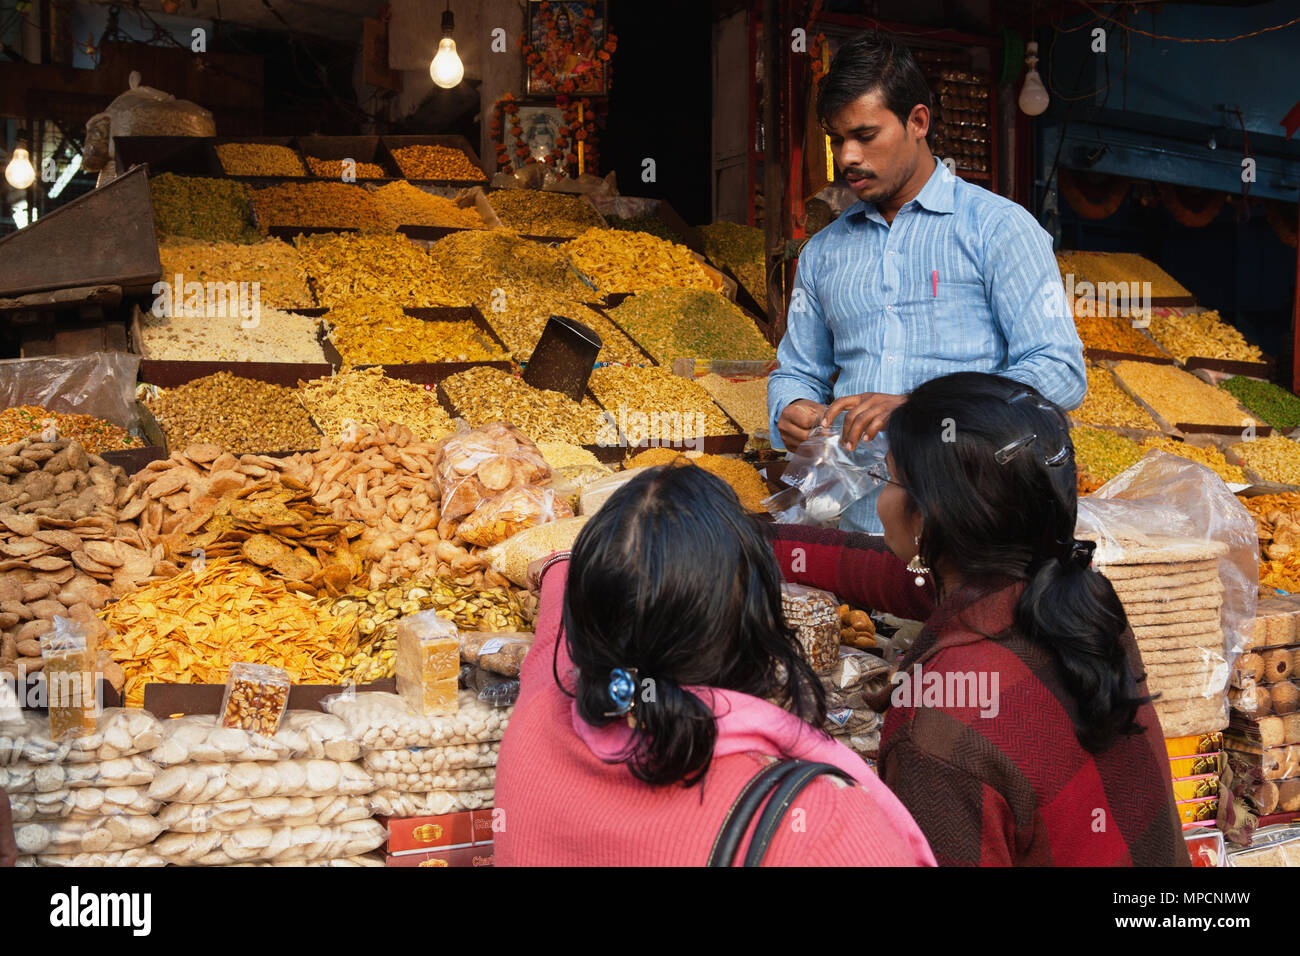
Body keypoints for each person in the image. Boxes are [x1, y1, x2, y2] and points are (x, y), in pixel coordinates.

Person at [769, 372, 1189, 866]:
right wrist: (746, 540)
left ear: (927, 520)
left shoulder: (939, 729)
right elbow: (885, 572)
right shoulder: (1075, 596)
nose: (879, 498)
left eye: (886, 477)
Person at [494, 464, 935, 866]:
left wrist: (558, 565)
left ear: (589, 617)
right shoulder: (822, 825)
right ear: (760, 619)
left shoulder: (536, 713)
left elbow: (556, 632)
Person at [769, 30, 1086, 533]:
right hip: (854, 528)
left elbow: (1060, 373)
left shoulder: (998, 229)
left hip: (972, 528)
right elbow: (797, 371)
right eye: (836, 139)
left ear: (918, 121)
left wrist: (921, 408)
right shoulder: (822, 253)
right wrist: (790, 408)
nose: (846, 156)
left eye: (865, 135)